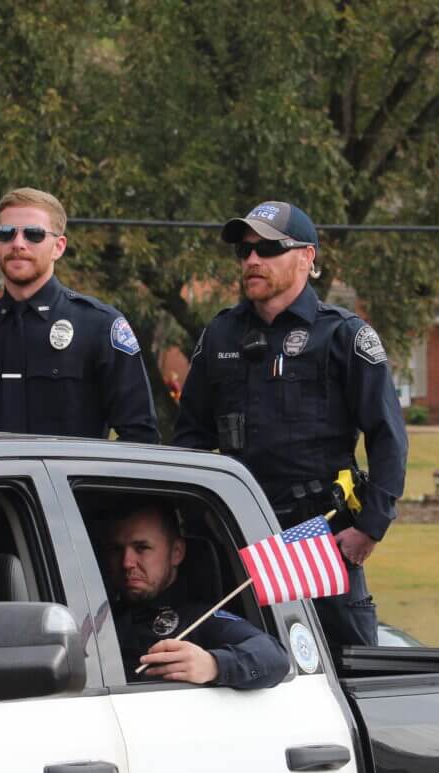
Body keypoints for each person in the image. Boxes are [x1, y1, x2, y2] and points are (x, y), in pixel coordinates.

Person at [174, 200, 408, 649]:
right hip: (233, 530)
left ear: (306, 257)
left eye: (268, 248)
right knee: (236, 660)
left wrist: (370, 527)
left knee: (349, 670)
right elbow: (190, 439)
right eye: (244, 251)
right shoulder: (220, 335)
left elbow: (388, 438)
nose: (253, 260)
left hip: (316, 530)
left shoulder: (343, 335)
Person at [0, 187, 158, 443]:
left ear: (58, 247)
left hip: (70, 483)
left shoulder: (98, 326)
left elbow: (140, 436)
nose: (18, 243)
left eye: (34, 234)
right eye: (6, 234)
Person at [106, 503, 288, 688]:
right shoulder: (95, 615)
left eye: (142, 548)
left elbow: (274, 657)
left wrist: (214, 665)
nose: (126, 562)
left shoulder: (199, 619)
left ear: (176, 552)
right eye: (117, 549)